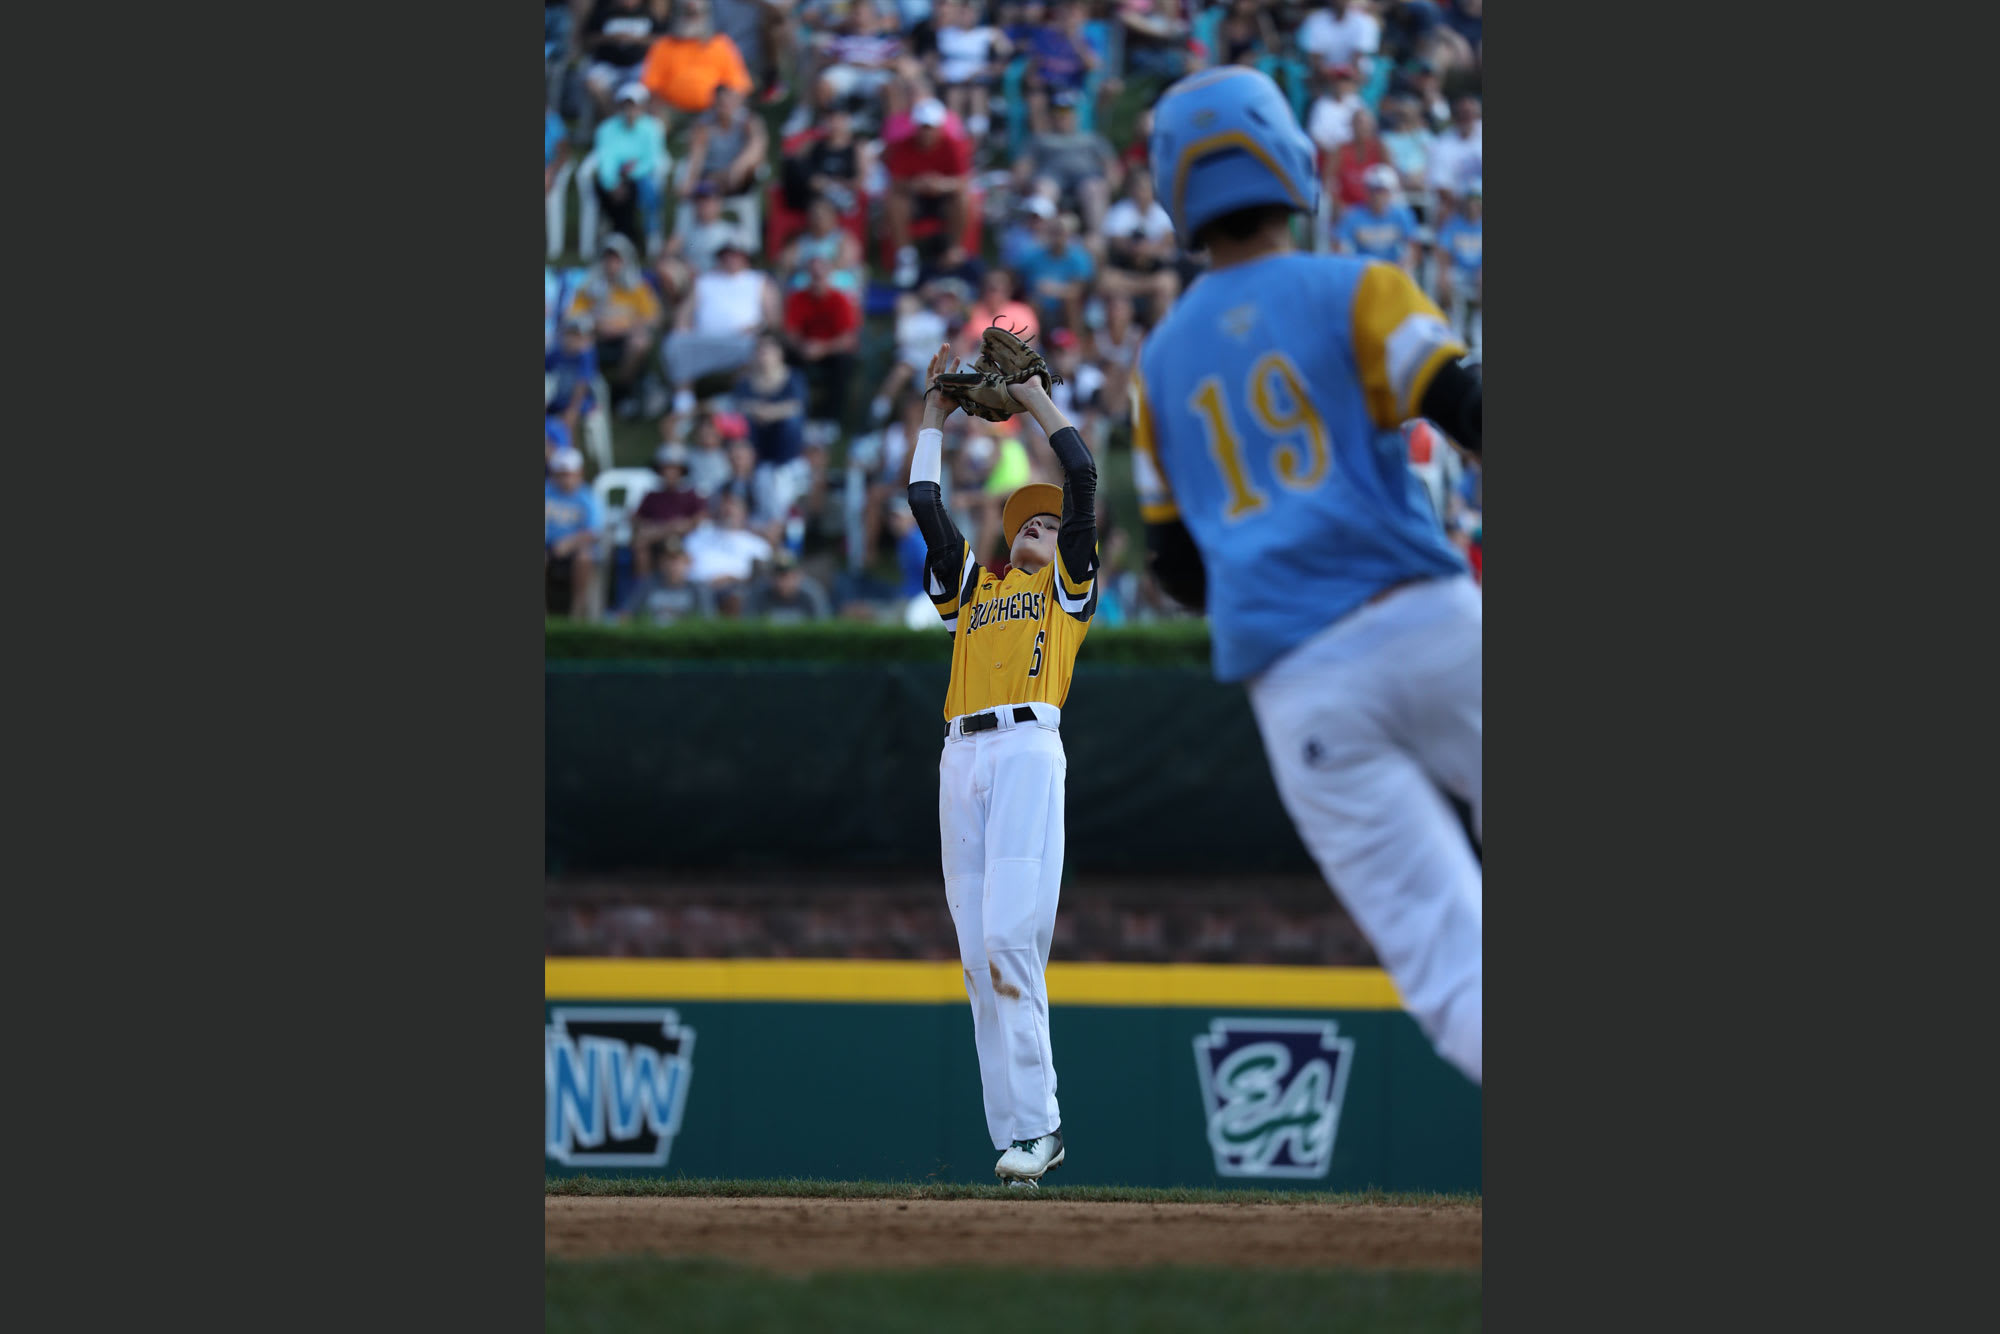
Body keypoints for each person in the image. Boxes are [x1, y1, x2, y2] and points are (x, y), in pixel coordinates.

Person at [1137, 67, 1483, 1086]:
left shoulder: (1157, 364)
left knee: (1445, 950)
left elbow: (1177, 568)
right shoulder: (1354, 286)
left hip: (1297, 682)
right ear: (1288, 160)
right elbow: (1466, 405)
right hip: (1421, 616)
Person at [907, 339, 1100, 1185]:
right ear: (1010, 533)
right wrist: (928, 418)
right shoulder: (972, 593)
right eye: (1033, 521)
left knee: (1011, 935)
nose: (1046, 528)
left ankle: (1045, 1124)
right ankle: (1018, 1136)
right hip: (961, 759)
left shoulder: (1064, 594)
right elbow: (924, 500)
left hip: (1027, 747)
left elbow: (1084, 476)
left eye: (1053, 524)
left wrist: (1034, 403)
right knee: (978, 959)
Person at [662, 238, 781, 394]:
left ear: (745, 256)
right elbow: (684, 315)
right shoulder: (704, 281)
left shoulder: (759, 281)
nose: (731, 259)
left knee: (753, 348)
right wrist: (682, 329)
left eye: (735, 254)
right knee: (675, 343)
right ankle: (683, 401)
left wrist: (758, 327)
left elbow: (773, 319)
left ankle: (741, 397)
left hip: (743, 340)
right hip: (704, 340)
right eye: (726, 254)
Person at [567, 233, 665, 414]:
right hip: (596, 338)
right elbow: (573, 315)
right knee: (574, 340)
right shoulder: (590, 286)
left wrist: (624, 326)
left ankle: (621, 391)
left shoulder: (638, 288)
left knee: (640, 342)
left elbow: (653, 317)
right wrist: (595, 324)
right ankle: (577, 396)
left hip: (625, 340)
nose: (612, 264)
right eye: (608, 258)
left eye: (616, 259)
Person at [885, 98, 974, 288]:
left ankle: (954, 251)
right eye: (923, 127)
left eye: (931, 127)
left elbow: (963, 182)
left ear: (940, 127)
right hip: (914, 198)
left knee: (963, 200)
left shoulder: (953, 145)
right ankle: (905, 256)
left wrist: (941, 185)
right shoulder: (903, 146)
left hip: (943, 197)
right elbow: (896, 182)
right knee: (895, 202)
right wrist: (916, 185)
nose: (927, 132)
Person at [1015, 92, 1120, 236]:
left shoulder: (1092, 139)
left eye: (1066, 112)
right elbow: (1023, 164)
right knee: (1044, 189)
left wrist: (1111, 183)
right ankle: (1043, 239)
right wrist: (1023, 183)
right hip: (1050, 177)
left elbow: (1110, 165)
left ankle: (1098, 240)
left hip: (1087, 177)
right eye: (1057, 112)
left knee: (1095, 189)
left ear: (1075, 114)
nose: (1062, 116)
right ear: (1050, 115)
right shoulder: (1039, 139)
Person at [592, 83, 670, 255]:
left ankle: (634, 237)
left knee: (639, 190)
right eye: (626, 105)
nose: (630, 110)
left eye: (634, 105)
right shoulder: (607, 128)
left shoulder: (652, 128)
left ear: (641, 106)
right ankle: (620, 237)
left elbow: (652, 160)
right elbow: (606, 158)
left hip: (639, 175)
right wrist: (612, 182)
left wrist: (630, 174)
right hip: (616, 175)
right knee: (602, 187)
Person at [640, 0, 755, 114]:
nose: (692, 18)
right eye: (688, 13)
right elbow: (651, 86)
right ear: (677, 14)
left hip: (714, 112)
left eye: (696, 14)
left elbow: (738, 85)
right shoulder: (663, 46)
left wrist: (725, 106)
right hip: (673, 110)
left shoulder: (721, 44)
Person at [1097, 170, 1179, 318]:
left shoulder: (1161, 212)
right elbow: (1116, 241)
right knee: (1108, 283)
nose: (1143, 193)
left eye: (1146, 188)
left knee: (1167, 284)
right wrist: (1139, 249)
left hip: (1152, 273)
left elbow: (1169, 241)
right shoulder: (1119, 211)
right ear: (1131, 190)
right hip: (1126, 271)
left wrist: (1146, 250)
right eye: (1139, 188)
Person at [930, 0, 1010, 139]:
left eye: (971, 13)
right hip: (951, 81)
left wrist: (992, 67)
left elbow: (1005, 53)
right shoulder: (944, 33)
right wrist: (936, 71)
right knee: (955, 95)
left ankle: (976, 143)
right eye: (963, 12)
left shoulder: (987, 33)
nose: (967, 16)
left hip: (978, 79)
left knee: (977, 94)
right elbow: (932, 59)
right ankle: (954, 139)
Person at [630, 443, 709, 581]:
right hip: (657, 539)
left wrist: (679, 527)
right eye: (665, 469)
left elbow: (698, 520)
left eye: (673, 469)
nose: (669, 473)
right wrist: (669, 528)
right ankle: (643, 589)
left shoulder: (691, 495)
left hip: (684, 540)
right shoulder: (652, 496)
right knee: (640, 544)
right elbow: (637, 519)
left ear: (681, 471)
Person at [683, 491, 775, 609]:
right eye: (725, 506)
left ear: (744, 512)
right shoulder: (696, 538)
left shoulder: (758, 545)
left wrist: (733, 579)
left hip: (741, 592)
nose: (728, 510)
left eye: (734, 506)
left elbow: (765, 580)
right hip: (700, 590)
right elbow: (683, 569)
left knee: (737, 598)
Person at [545, 446, 604, 620]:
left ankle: (577, 612)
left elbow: (593, 532)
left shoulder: (588, 497)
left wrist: (568, 544)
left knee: (584, 557)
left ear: (580, 473)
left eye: (570, 473)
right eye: (562, 474)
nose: (566, 478)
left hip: (576, 548)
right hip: (547, 547)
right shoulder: (546, 492)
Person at [580, 0, 666, 117]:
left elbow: (661, 40)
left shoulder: (648, 14)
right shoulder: (604, 13)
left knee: (653, 86)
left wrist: (636, 39)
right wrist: (611, 38)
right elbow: (587, 39)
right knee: (593, 83)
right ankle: (614, 118)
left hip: (637, 65)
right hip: (608, 65)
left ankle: (641, 123)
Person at [683, 84, 770, 199]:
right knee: (700, 191)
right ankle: (709, 194)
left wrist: (738, 167)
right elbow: (696, 156)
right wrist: (690, 179)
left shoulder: (748, 121)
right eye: (721, 103)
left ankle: (713, 189)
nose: (725, 106)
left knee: (754, 160)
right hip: (711, 175)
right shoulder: (704, 125)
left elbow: (757, 146)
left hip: (739, 177)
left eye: (729, 102)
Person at [1016, 212, 1095, 335]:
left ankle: (1075, 343)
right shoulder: (1032, 256)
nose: (1057, 237)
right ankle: (1031, 344)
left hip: (1064, 308)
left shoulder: (1079, 258)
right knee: (1033, 302)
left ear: (1069, 235)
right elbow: (1018, 277)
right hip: (1039, 305)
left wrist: (1052, 290)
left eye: (1061, 232)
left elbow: (1077, 290)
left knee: (1071, 302)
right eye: (1054, 232)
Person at [1334, 163, 1419, 273]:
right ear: (1367, 191)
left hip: (1393, 271)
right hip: (1362, 273)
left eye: (1383, 191)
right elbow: (1339, 247)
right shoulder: (1353, 215)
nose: (1378, 196)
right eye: (1375, 190)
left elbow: (1413, 249)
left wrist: (1402, 267)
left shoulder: (1402, 215)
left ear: (1391, 192)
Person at [616, 544, 718, 624]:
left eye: (677, 561)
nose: (672, 566)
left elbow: (708, 621)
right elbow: (626, 614)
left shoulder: (699, 589)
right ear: (660, 564)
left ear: (688, 564)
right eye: (668, 561)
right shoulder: (647, 585)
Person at [1431, 178, 1481, 341]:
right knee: (1444, 281)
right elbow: (1443, 250)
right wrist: (1444, 271)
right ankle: (1455, 325)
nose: (1473, 205)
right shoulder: (1453, 223)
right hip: (1459, 270)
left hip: (1478, 271)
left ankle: (1476, 326)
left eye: (1477, 200)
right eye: (1470, 200)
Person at [747, 549, 833, 621]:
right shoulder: (759, 593)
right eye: (778, 575)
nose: (783, 582)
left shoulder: (812, 594)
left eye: (788, 576)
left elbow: (823, 624)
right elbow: (749, 624)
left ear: (799, 575)